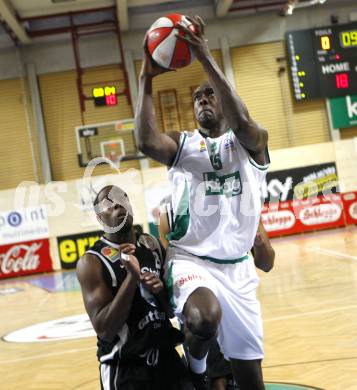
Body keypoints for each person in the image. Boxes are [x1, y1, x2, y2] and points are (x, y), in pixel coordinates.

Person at [135, 14, 270, 390]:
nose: (204, 100)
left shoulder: (251, 141)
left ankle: (202, 368)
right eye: (197, 97)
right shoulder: (184, 145)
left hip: (238, 270)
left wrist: (205, 56)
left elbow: (243, 124)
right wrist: (146, 77)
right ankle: (195, 373)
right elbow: (146, 142)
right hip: (191, 260)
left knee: (251, 381)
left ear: (226, 102)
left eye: (211, 94)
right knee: (205, 316)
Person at [76, 185, 194, 390]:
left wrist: (159, 292)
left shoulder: (152, 245)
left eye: (122, 198)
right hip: (125, 368)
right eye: (108, 203)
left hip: (166, 358)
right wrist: (132, 279)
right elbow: (105, 329)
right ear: (100, 218)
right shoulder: (92, 262)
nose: (118, 205)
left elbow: (169, 311)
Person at [158, 200, 275, 390]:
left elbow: (266, 264)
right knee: (215, 381)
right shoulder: (170, 206)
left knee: (245, 377)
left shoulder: (243, 202)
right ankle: (195, 369)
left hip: (234, 296)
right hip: (198, 292)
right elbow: (168, 258)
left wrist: (259, 245)